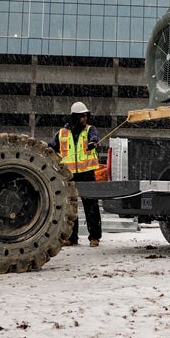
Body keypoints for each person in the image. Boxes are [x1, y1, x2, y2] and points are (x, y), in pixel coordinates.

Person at [49, 101, 102, 247]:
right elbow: (51, 148)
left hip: (87, 173)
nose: (85, 119)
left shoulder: (90, 130)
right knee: (71, 208)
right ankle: (72, 237)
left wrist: (93, 143)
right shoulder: (61, 133)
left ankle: (94, 237)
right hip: (69, 175)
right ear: (74, 117)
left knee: (91, 206)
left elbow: (94, 137)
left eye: (86, 116)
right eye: (82, 116)